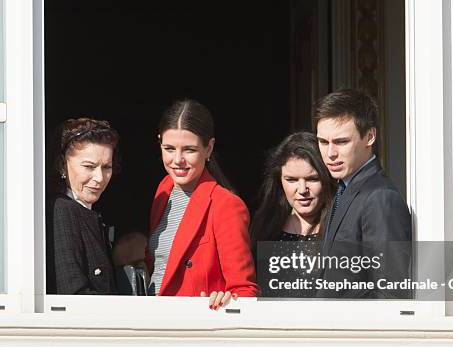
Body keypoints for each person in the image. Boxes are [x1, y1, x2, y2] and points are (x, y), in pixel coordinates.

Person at [147, 99, 259, 309]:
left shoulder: (226, 205)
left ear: (209, 149)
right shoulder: (163, 190)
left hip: (195, 329)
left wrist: (226, 299)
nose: (177, 159)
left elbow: (244, 290)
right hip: (155, 319)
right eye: (169, 148)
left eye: (189, 150)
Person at [314, 89, 412, 298]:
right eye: (323, 142)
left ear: (369, 136)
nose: (330, 153)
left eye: (341, 142)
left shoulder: (380, 198)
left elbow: (391, 294)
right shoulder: (344, 189)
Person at [251, 132, 336, 297]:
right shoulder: (264, 227)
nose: (302, 190)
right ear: (279, 180)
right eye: (291, 180)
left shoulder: (340, 226)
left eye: (312, 179)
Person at [47, 118, 119, 295]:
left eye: (107, 167)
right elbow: (72, 293)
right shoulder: (61, 210)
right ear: (62, 165)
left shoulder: (85, 213)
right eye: (89, 166)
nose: (100, 178)